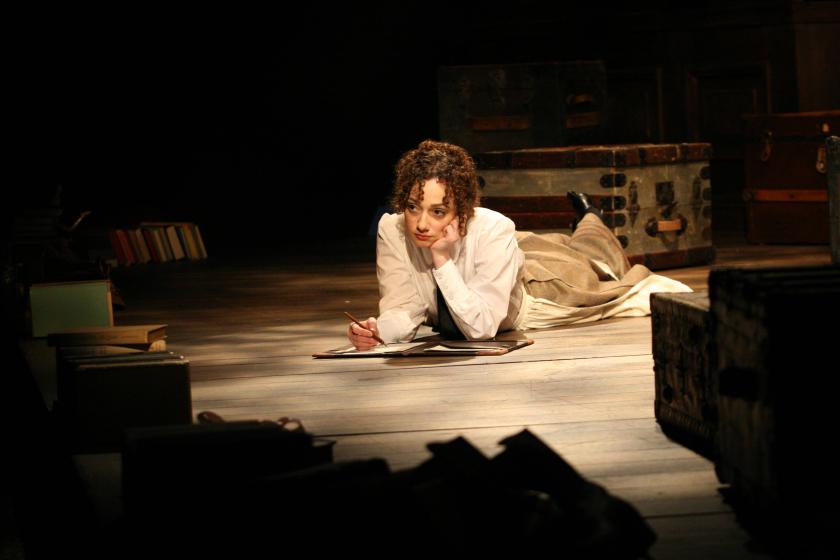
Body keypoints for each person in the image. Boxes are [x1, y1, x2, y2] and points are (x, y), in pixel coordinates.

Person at [347, 140, 691, 350]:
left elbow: (481, 328)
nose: (421, 224)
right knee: (554, 243)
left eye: (437, 211)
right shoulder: (393, 230)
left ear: (461, 211)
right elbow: (405, 307)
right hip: (507, 255)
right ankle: (582, 224)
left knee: (592, 258)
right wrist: (378, 330)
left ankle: (591, 217)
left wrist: (441, 258)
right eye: (412, 207)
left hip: (542, 287)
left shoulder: (492, 228)